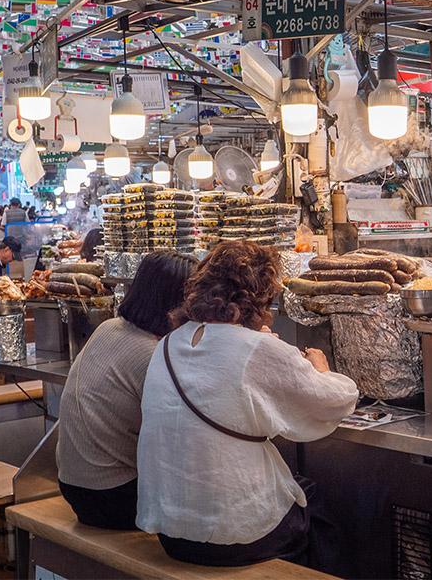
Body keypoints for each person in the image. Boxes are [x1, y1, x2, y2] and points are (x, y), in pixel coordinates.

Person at [136, 241, 359, 568]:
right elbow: (335, 401)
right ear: (257, 297)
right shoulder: (255, 348)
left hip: (172, 532)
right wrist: (320, 368)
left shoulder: (168, 344)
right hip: (231, 536)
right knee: (313, 501)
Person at [57, 251, 198, 530]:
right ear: (177, 303)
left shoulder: (109, 328)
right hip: (114, 498)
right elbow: (184, 435)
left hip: (73, 487)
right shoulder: (154, 353)